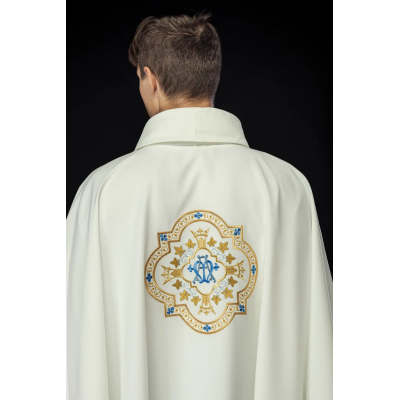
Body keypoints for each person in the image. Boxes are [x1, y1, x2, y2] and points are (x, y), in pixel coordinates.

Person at [67, 13, 332, 400]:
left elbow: (77, 338)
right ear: (212, 78)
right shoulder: (286, 187)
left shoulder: (103, 190)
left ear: (150, 80)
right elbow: (318, 344)